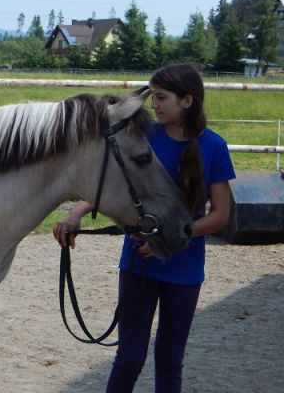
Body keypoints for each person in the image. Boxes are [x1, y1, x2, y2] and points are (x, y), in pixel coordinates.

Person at [53, 63, 235, 392]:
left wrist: (170, 238)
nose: (154, 105)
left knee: (169, 358)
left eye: (162, 98)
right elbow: (118, 185)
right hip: (139, 264)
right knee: (129, 358)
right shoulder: (143, 137)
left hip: (184, 270)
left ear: (187, 101)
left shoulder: (214, 147)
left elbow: (221, 214)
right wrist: (76, 213)